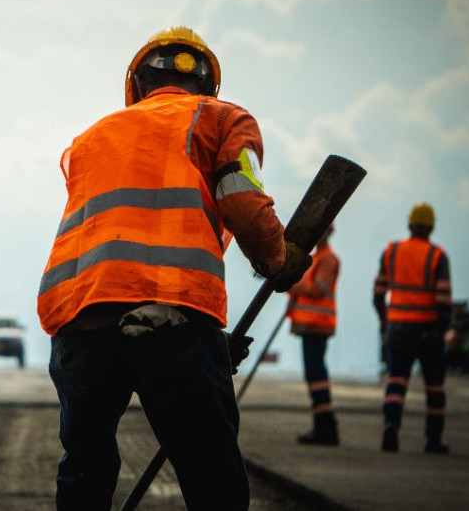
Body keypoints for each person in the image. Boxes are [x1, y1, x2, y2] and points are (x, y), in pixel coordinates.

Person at [37, 26, 311, 510]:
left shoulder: (92, 137)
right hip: (174, 315)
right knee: (212, 476)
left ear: (137, 85)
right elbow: (243, 201)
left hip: (81, 321)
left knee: (85, 466)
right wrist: (277, 260)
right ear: (208, 85)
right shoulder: (222, 118)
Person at [373, 202, 452, 454]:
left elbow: (377, 294)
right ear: (431, 227)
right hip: (428, 331)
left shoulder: (391, 251)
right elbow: (443, 299)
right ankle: (433, 440)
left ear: (410, 225)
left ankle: (391, 426)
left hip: (398, 329)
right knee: (435, 387)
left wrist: (385, 321)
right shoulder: (437, 255)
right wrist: (444, 329)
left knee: (396, 381)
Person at [287, 225, 340, 445]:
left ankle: (325, 427)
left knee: (316, 375)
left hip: (317, 325)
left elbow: (317, 290)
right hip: (308, 326)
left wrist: (291, 284)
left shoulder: (328, 259)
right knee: (314, 375)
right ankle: (322, 424)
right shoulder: (316, 258)